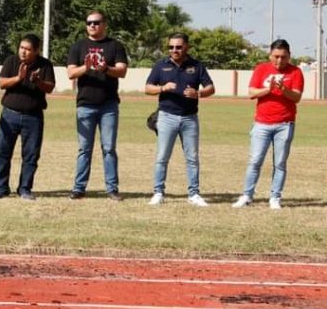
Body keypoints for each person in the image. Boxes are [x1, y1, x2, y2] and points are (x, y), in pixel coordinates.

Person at [144, 33, 216, 207]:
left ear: (186, 47)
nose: (174, 50)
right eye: (171, 47)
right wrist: (162, 88)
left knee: (192, 158)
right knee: (162, 157)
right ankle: (158, 192)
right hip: (167, 116)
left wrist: (198, 93)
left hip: (189, 118)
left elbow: (211, 88)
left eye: (178, 47)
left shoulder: (197, 66)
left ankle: (194, 194)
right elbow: (147, 88)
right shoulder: (161, 65)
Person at [233, 39, 304, 210]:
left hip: (285, 124)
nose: (279, 61)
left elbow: (297, 97)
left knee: (280, 163)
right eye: (276, 56)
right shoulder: (261, 69)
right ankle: (247, 196)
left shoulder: (296, 72)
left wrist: (283, 89)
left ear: (289, 56)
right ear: (270, 55)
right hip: (262, 124)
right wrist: (268, 89)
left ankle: (275, 198)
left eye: (283, 57)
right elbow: (251, 93)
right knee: (255, 160)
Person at [66, 11, 129, 201]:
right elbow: (70, 73)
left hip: (108, 105)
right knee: (84, 149)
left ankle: (112, 188)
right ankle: (79, 188)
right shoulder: (78, 46)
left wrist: (105, 69)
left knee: (108, 148)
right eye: (89, 23)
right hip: (85, 105)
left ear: (104, 24)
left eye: (96, 22)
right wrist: (86, 67)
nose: (92, 25)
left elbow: (122, 71)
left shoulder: (115, 46)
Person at [0, 33, 55, 201]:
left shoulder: (45, 65)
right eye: (21, 48)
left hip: (33, 117)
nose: (23, 52)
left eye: (28, 49)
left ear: (36, 51)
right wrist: (19, 78)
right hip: (9, 114)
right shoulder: (11, 61)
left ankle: (25, 188)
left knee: (31, 155)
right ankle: (1, 187)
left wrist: (38, 82)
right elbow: (1, 83)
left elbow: (49, 88)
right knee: (2, 152)